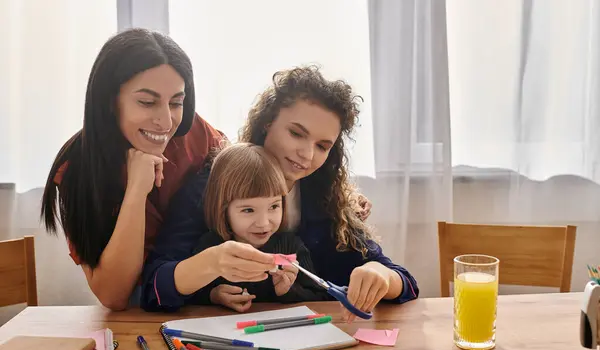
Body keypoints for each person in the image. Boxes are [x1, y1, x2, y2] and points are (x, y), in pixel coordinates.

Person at [142, 66, 419, 322]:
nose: (307, 154)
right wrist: (211, 266)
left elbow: (405, 283)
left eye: (323, 146)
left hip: (316, 347)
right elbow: (153, 288)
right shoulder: (212, 184)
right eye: (296, 133)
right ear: (267, 123)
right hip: (227, 339)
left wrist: (381, 276)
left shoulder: (327, 197)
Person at [40, 28, 224, 311]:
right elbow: (114, 296)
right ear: (110, 101)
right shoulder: (78, 166)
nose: (165, 121)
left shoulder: (199, 136)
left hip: (209, 294)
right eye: (147, 102)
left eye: (176, 102)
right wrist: (136, 190)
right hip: (137, 310)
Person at [141, 143, 328, 312]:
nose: (263, 222)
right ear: (223, 209)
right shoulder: (209, 246)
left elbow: (320, 296)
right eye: (248, 210)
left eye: (273, 207)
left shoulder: (291, 247)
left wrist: (288, 291)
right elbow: (190, 297)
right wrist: (214, 295)